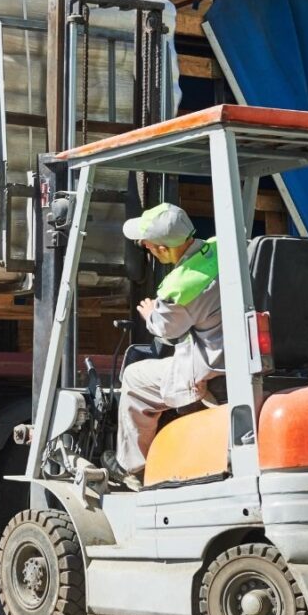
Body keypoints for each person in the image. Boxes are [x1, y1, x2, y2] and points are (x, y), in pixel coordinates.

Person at [102, 203, 225, 491]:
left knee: (135, 376)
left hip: (213, 365)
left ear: (161, 250)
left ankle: (133, 467)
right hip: (243, 352)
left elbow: (167, 331)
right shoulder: (223, 247)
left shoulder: (181, 286)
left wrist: (151, 313)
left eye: (147, 246)